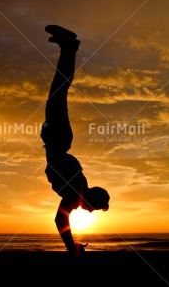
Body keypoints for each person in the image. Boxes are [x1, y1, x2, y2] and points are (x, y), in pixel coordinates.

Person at [40, 25, 110, 258]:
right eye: (94, 208)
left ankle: (68, 48)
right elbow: (59, 218)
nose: (90, 213)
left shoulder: (76, 190)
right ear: (91, 199)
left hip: (57, 138)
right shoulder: (74, 193)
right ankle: (69, 47)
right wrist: (73, 249)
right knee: (59, 89)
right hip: (58, 137)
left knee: (58, 90)